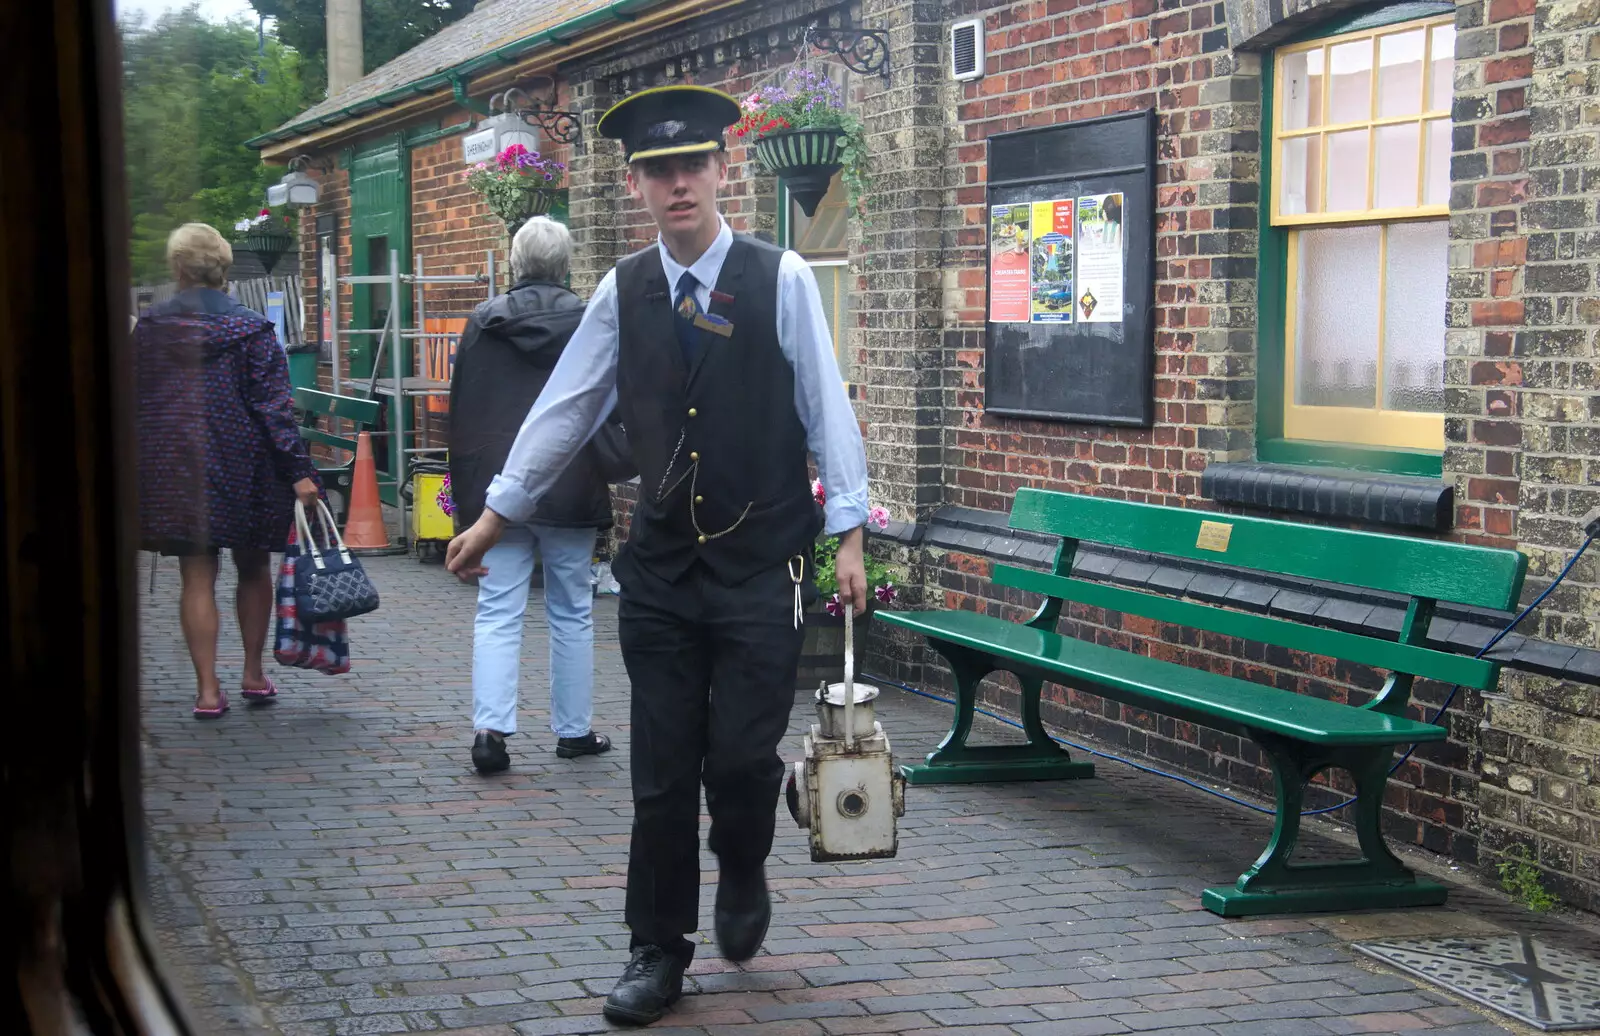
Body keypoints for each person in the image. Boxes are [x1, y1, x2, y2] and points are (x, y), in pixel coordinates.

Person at [446, 85, 869, 1026]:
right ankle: (656, 948)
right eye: (658, 172)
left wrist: (849, 531)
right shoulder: (623, 289)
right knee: (664, 768)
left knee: (743, 757)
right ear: (637, 185)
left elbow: (824, 409)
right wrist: (497, 512)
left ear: (724, 170)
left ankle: (746, 857)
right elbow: (566, 407)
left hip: (764, 562)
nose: (678, 185)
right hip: (663, 571)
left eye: (693, 167)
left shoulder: (780, 277)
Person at [133, 223, 320, 718]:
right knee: (253, 567)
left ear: (177, 268)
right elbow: (274, 410)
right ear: (222, 269)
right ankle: (254, 674)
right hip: (247, 465)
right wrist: (300, 472)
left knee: (196, 575)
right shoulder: (253, 330)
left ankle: (207, 690)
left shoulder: (149, 330)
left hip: (176, 468)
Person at [448, 216, 614, 774]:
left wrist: (469, 510)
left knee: (497, 611)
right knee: (572, 611)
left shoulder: (481, 324)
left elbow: (464, 419)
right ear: (567, 265)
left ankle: (490, 733)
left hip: (498, 494)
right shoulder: (592, 320)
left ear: (513, 263)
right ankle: (574, 731)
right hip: (573, 481)